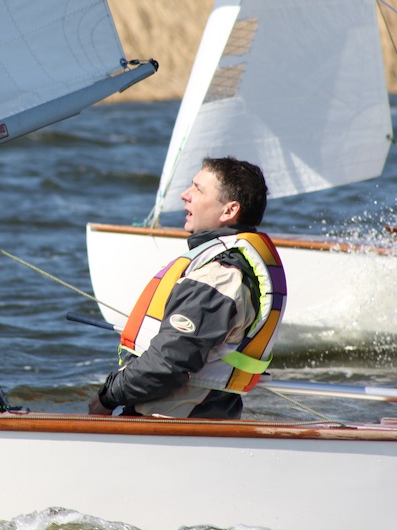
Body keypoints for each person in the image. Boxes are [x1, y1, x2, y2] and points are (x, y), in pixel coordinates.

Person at [87, 156, 286, 419]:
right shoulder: (225, 264)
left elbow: (167, 364)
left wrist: (106, 397)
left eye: (198, 189)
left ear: (229, 211)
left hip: (173, 421)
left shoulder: (218, 276)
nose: (185, 195)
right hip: (202, 415)